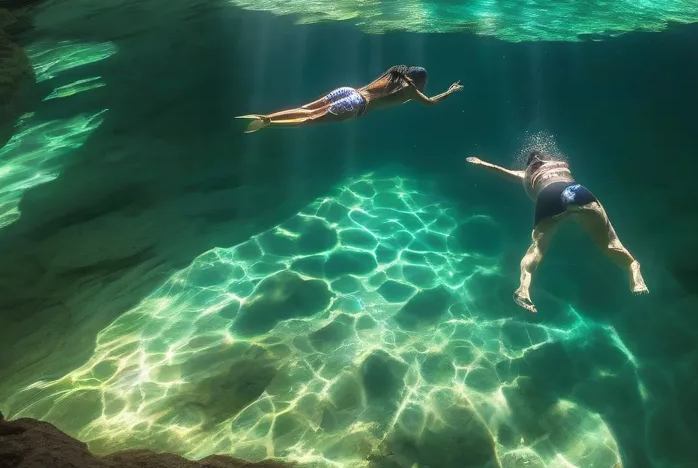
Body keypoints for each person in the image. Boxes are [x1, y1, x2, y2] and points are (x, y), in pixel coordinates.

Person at [465, 148, 647, 312]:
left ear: (530, 163)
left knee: (536, 249)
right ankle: (633, 268)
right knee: (610, 243)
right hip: (575, 190)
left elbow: (501, 172)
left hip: (548, 197)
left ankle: (523, 289)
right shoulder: (560, 165)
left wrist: (481, 163)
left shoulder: (527, 173)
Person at [239, 65, 462, 132]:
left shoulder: (393, 77)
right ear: (420, 80)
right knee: (309, 119)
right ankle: (266, 123)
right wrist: (450, 91)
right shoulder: (410, 90)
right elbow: (430, 102)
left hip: (347, 92)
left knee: (305, 109)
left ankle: (268, 117)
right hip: (356, 105)